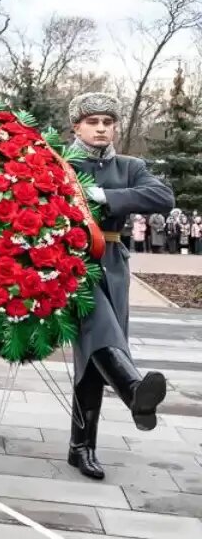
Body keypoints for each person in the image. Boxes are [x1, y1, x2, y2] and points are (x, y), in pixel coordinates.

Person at [65, 93, 173, 481]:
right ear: (76, 126)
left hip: (112, 264)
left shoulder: (129, 166)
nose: (100, 129)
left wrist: (107, 196)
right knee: (100, 332)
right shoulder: (58, 165)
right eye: (92, 121)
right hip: (68, 266)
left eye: (107, 122)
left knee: (95, 357)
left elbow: (162, 196)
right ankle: (133, 391)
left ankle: (82, 448)